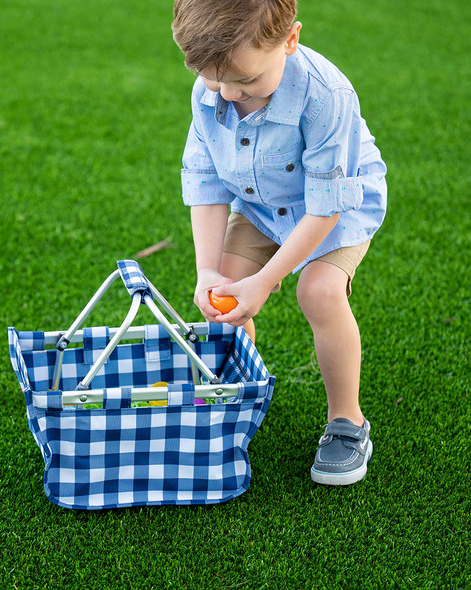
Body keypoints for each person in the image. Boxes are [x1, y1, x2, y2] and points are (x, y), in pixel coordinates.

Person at [172, 0, 387, 485]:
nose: (227, 94)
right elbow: (205, 180)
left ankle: (347, 423)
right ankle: (230, 404)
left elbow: (326, 204)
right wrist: (208, 272)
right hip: (263, 206)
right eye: (213, 80)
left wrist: (268, 281)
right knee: (223, 295)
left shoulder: (324, 94)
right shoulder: (214, 88)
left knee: (319, 291)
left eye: (245, 82)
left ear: (289, 40)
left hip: (334, 207)